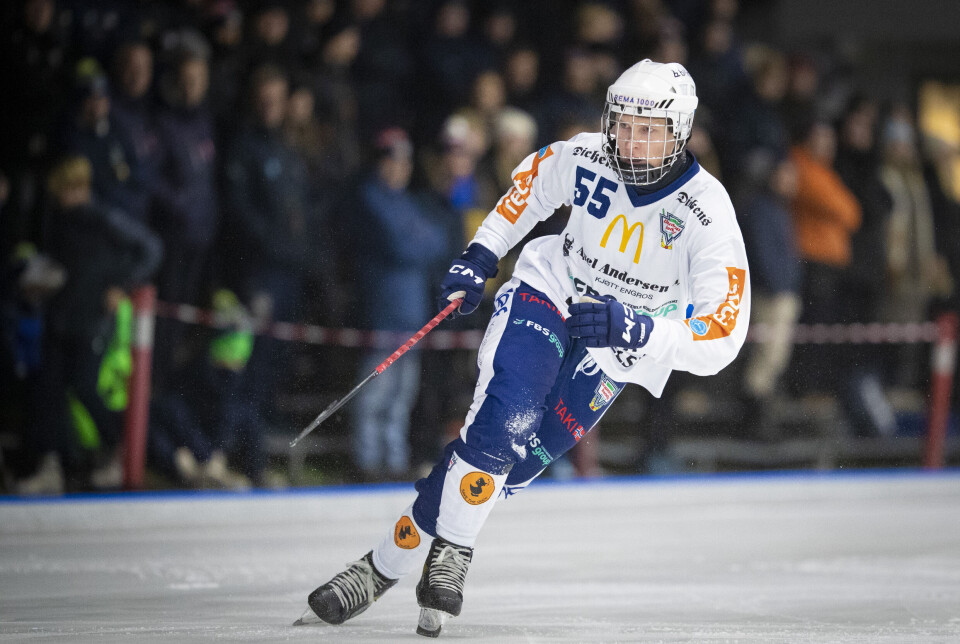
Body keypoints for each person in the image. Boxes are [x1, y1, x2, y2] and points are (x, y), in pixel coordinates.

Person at [296, 59, 750, 637]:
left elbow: (724, 334)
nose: (631, 141)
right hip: (550, 294)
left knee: (506, 467)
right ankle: (452, 554)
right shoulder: (586, 154)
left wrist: (640, 331)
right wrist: (480, 256)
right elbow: (526, 194)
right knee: (505, 416)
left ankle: (382, 565)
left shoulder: (708, 215)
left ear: (679, 132)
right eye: (624, 124)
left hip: (615, 348)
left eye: (649, 129)